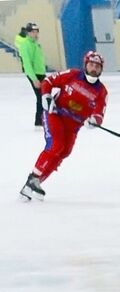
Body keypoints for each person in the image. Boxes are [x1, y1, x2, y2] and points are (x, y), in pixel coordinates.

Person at [21, 51, 106, 201]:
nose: (94, 68)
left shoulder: (101, 91)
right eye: (91, 64)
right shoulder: (72, 74)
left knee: (65, 151)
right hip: (55, 115)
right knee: (56, 145)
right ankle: (34, 177)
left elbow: (99, 113)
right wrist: (46, 96)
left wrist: (94, 120)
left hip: (73, 126)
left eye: (97, 66)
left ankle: (35, 183)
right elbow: (48, 82)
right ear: (85, 64)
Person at [17, 22, 46, 128]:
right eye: (33, 32)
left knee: (45, 95)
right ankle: (39, 120)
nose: (35, 34)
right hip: (35, 75)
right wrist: (34, 79)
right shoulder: (25, 45)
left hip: (41, 73)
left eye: (36, 32)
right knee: (41, 96)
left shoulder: (35, 43)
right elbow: (27, 64)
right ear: (28, 33)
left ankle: (43, 118)